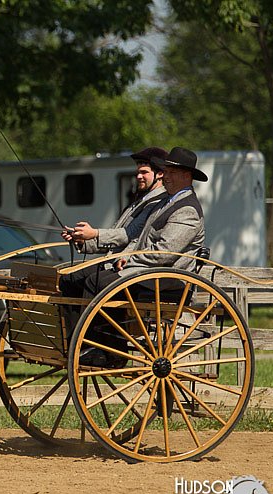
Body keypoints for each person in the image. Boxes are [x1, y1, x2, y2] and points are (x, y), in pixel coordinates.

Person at [63, 147, 207, 367]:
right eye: (165, 171)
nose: (164, 175)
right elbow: (135, 238)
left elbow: (164, 253)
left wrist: (128, 261)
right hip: (148, 271)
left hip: (167, 279)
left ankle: (112, 351)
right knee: (74, 277)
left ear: (186, 176)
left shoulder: (188, 210)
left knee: (99, 282)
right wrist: (117, 251)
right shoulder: (164, 202)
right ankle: (78, 343)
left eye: (170, 172)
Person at [59, 147, 169, 299]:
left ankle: (89, 323)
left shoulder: (158, 203)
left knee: (87, 282)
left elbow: (129, 235)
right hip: (113, 261)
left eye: (144, 172)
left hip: (126, 265)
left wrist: (94, 233)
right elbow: (113, 234)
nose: (138, 176)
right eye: (138, 172)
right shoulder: (138, 201)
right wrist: (82, 241)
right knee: (67, 280)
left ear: (160, 174)